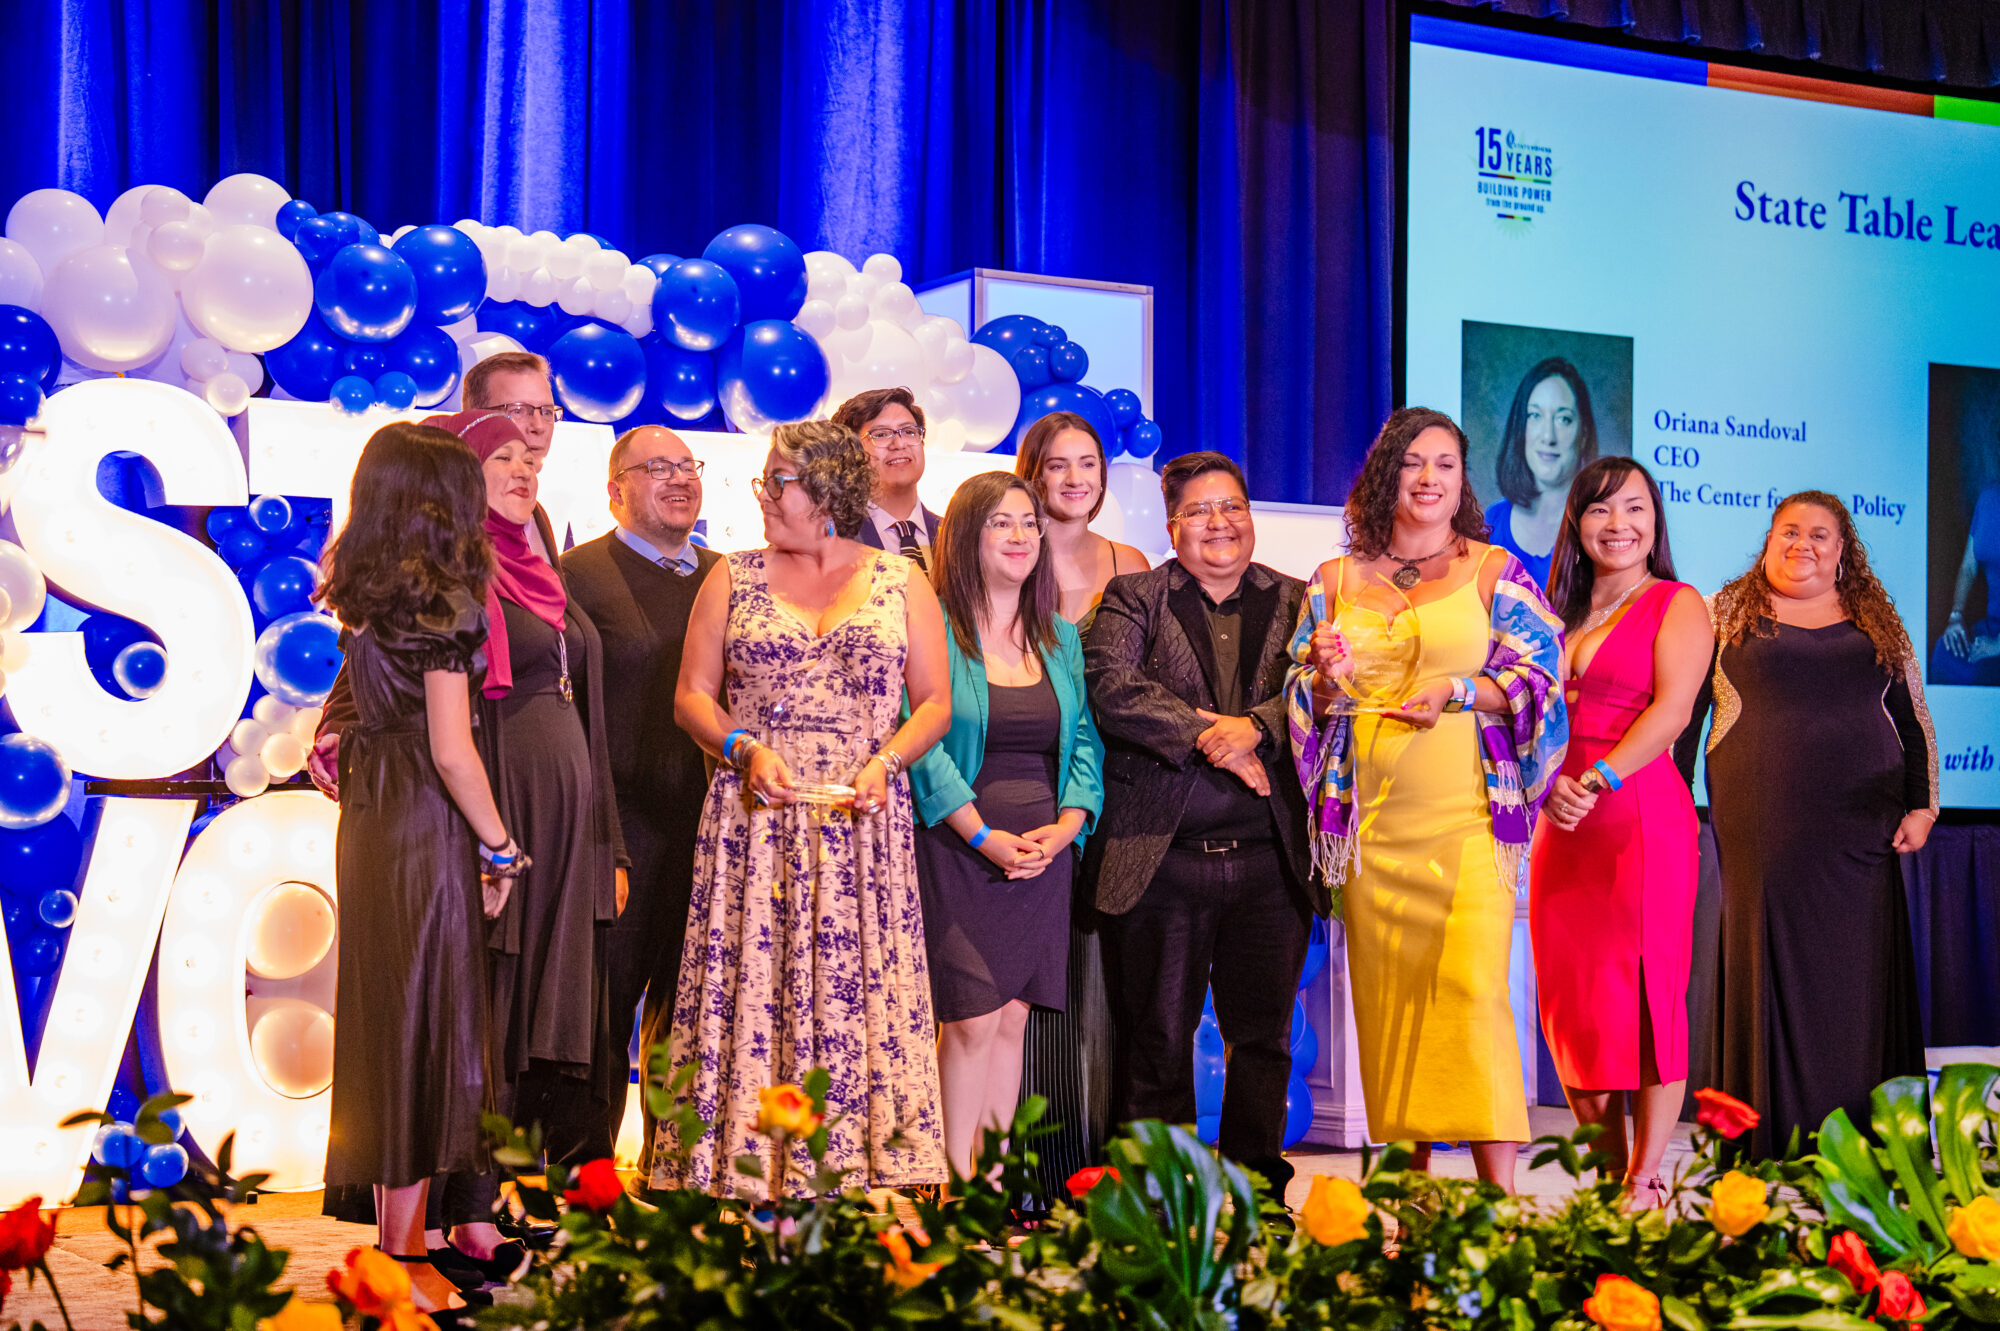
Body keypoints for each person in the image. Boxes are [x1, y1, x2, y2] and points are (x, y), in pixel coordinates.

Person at [655, 419, 953, 1196]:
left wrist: (889, 762)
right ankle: (751, 1182)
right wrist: (745, 749)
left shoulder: (901, 579)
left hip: (861, 821)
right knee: (758, 987)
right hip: (757, 819)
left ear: (827, 491)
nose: (763, 494)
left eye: (776, 480)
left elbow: (935, 704)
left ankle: (846, 1174)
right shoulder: (733, 575)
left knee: (855, 992)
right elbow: (691, 695)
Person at [1286, 407, 1566, 1193]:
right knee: (1394, 1004)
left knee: (1473, 992)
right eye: (1414, 462)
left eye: (1446, 463)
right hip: (1373, 825)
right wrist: (1321, 674)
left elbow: (1544, 676)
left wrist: (1458, 690)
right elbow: (1301, 695)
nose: (1430, 477)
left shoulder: (1493, 572)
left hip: (1470, 817)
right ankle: (1406, 1183)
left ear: (1462, 479)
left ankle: (1496, 1188)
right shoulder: (1335, 581)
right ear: (1387, 475)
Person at [319, 421, 521, 1319]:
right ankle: (399, 1251)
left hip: (373, 817)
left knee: (387, 1020)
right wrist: (501, 841)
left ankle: (412, 1239)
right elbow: (454, 750)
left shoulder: (367, 596)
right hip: (424, 821)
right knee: (427, 1024)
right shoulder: (447, 602)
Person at [1675, 491, 1937, 1160]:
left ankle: (1860, 1137)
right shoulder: (1724, 612)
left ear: (1844, 550)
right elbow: (1681, 719)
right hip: (1762, 820)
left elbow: (1915, 720)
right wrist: (1674, 802)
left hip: (1862, 825)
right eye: (1789, 530)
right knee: (1765, 956)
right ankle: (1767, 1134)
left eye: (1821, 534)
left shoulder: (1879, 622)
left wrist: (1924, 804)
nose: (1804, 543)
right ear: (1768, 539)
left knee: (1854, 971)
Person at [1084, 451, 1317, 1194]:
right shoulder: (1134, 595)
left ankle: (1258, 1192)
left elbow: (1322, 688)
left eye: (1233, 507)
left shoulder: (1298, 598)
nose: (1220, 522)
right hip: (1163, 858)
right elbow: (1111, 684)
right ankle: (1160, 1196)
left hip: (1269, 862)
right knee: (1157, 1037)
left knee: (1264, 1042)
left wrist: (1256, 727)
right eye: (1200, 511)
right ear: (1172, 525)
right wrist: (1210, 732)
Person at [907, 472, 1104, 1181]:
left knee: (1015, 1020)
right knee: (968, 1020)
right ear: (965, 535)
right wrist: (982, 834)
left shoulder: (1060, 637)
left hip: (1044, 854)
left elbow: (1083, 740)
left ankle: (990, 1187)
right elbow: (917, 740)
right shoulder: (934, 627)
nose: (1022, 536)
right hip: (959, 845)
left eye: (1029, 522)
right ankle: (952, 1187)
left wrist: (1067, 827)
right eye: (1001, 523)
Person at [1527, 458, 1709, 1207]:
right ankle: (1604, 1176)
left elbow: (1671, 713)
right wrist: (1547, 789)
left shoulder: (1678, 602)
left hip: (1638, 815)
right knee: (1575, 1004)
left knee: (1647, 998)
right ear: (1577, 522)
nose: (1619, 525)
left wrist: (1599, 779)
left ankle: (1646, 1175)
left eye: (1635, 509)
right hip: (1559, 822)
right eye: (1601, 510)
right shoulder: (1550, 610)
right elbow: (1523, 716)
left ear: (1655, 522)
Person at [456, 408, 629, 1176]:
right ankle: (468, 1191)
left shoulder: (537, 547)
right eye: (506, 457)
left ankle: (508, 1178)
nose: (527, 470)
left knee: (539, 1008)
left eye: (534, 457)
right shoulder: (454, 566)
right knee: (497, 994)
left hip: (568, 816)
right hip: (505, 802)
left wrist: (606, 842)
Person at [560, 424, 723, 1171]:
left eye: (686, 465)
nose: (678, 478)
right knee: (602, 1003)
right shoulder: (575, 576)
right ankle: (578, 1172)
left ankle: (674, 1172)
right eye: (656, 468)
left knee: (695, 1009)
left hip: (717, 824)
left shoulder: (730, 578)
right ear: (613, 489)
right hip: (617, 825)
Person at [1009, 410, 1148, 1199]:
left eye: (1087, 463)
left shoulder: (1129, 562)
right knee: (1031, 981)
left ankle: (1097, 1165)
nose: (1073, 478)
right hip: (1027, 779)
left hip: (1116, 785)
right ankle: (1029, 1165)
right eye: (1056, 464)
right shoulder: (1010, 555)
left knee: (1104, 980)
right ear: (1031, 472)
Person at [1483, 358, 1598, 589]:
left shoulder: (1598, 524)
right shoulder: (1492, 521)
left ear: (1583, 432)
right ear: (1521, 427)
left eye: (1563, 419)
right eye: (1535, 416)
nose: (1548, 436)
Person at [834, 386, 941, 568]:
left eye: (909, 431)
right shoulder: (834, 537)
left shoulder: (954, 534)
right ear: (851, 452)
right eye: (881, 434)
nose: (899, 444)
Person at [1932, 477, 2000, 686]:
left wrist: (1997, 646)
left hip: (1996, 642)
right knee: (1944, 651)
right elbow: (1969, 567)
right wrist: (1956, 616)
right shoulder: (1988, 499)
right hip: (1991, 628)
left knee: (1978, 673)